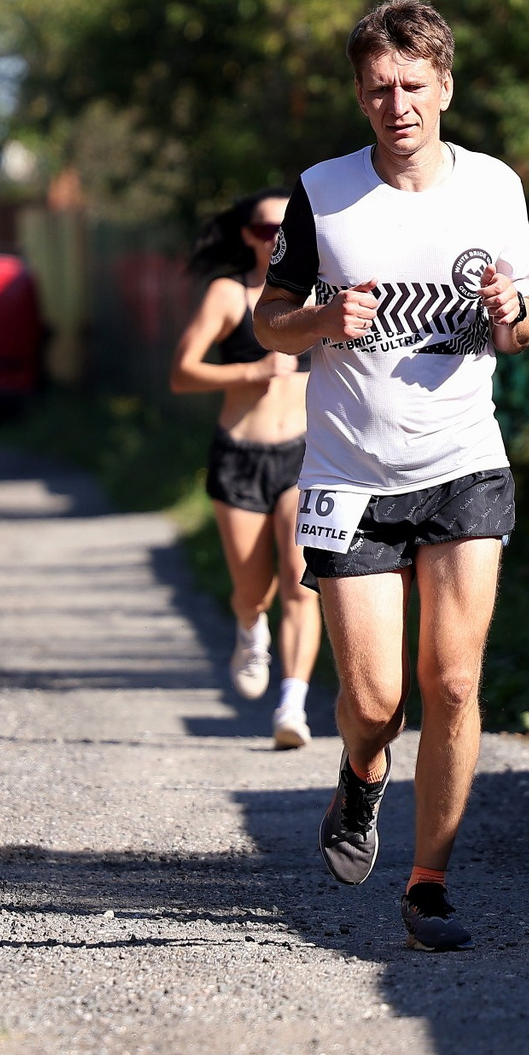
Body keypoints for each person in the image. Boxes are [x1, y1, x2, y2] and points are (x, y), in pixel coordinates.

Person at [251, 0, 529, 953]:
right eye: (379, 86)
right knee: (376, 701)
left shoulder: (495, 188)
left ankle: (430, 887)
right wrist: (321, 323)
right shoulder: (323, 191)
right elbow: (268, 320)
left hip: (464, 463)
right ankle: (362, 778)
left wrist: (510, 310)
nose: (397, 102)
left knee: (453, 683)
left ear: (445, 85)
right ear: (360, 95)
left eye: (413, 84)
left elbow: (526, 323)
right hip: (350, 476)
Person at [169, 190, 321, 747]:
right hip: (240, 456)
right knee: (252, 588)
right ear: (246, 237)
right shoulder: (229, 295)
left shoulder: (319, 295)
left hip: (306, 456)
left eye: (287, 227)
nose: (276, 238)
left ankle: (293, 705)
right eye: (264, 229)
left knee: (302, 580)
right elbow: (182, 373)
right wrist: (249, 373)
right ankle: (249, 627)